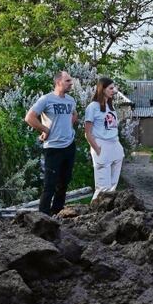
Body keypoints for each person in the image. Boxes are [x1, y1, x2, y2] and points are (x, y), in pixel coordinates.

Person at [25, 70, 78, 215]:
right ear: (58, 82)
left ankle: (57, 212)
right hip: (53, 148)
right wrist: (44, 129)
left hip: (69, 145)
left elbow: (74, 114)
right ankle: (43, 215)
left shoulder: (70, 100)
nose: (71, 83)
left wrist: (68, 128)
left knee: (64, 183)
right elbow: (29, 117)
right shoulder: (46, 99)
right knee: (50, 185)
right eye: (68, 81)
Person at [84, 77, 124, 200]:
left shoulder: (111, 108)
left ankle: (108, 214)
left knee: (112, 187)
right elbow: (87, 132)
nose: (114, 90)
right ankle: (93, 214)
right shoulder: (93, 107)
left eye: (114, 88)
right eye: (111, 88)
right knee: (103, 187)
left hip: (115, 145)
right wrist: (97, 149)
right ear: (102, 89)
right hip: (101, 145)